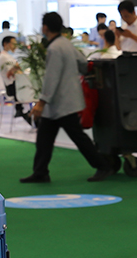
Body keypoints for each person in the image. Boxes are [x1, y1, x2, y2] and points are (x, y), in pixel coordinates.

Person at [20, 12, 117, 184]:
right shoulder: (66, 44)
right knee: (46, 137)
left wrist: (42, 102)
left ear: (45, 27)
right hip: (65, 100)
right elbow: (83, 65)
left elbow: (52, 77)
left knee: (75, 137)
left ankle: (103, 165)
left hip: (61, 102)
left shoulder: (54, 48)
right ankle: (40, 171)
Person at [0, 34, 33, 125]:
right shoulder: (4, 57)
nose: (15, 46)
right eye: (13, 43)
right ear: (6, 44)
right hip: (12, 87)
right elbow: (11, 72)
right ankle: (24, 112)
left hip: (15, 85)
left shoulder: (8, 56)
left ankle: (23, 111)